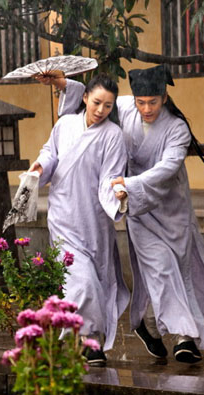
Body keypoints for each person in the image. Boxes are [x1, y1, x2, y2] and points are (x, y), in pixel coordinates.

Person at [48, 65, 204, 364]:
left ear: (164, 98)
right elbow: (92, 105)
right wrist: (66, 85)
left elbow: (168, 168)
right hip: (138, 207)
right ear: (133, 98)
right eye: (141, 102)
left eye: (153, 102)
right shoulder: (123, 107)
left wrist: (131, 183)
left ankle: (146, 324)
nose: (146, 108)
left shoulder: (177, 128)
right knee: (161, 268)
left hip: (169, 207)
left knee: (176, 271)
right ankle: (184, 338)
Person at [28, 74, 129, 367]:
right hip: (62, 215)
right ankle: (90, 341)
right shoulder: (65, 125)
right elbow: (50, 153)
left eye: (108, 106)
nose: (101, 110)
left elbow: (110, 176)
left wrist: (118, 194)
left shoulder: (113, 136)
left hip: (93, 218)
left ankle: (84, 339)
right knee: (80, 280)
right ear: (85, 98)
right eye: (97, 102)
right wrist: (40, 166)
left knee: (96, 280)